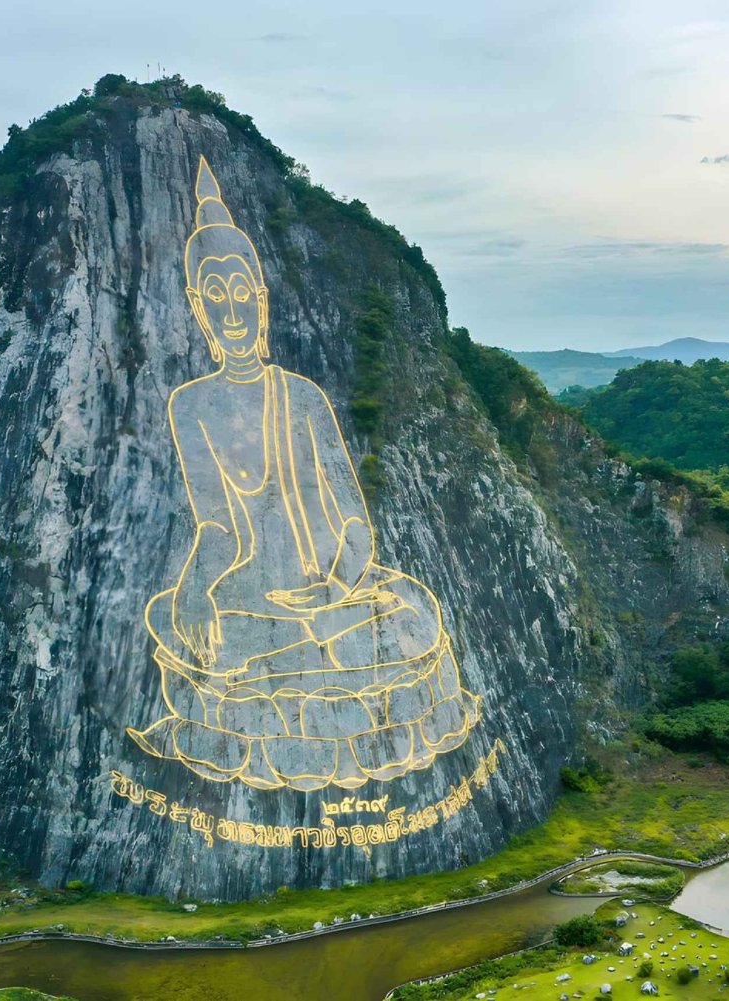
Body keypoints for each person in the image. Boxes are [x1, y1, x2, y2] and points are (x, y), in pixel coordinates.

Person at [126, 156, 480, 792]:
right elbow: (217, 527)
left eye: (242, 295)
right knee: (202, 632)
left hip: (330, 595)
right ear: (197, 306)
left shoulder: (304, 396)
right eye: (216, 297)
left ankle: (300, 683)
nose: (232, 312)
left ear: (260, 301)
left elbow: (355, 523)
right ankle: (303, 692)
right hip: (249, 598)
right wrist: (192, 593)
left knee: (408, 615)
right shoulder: (193, 404)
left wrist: (334, 587)